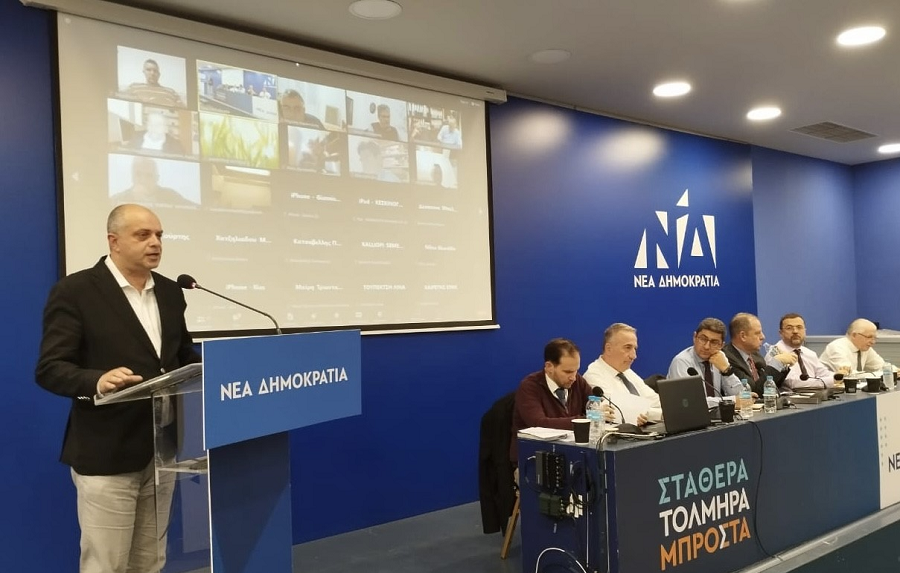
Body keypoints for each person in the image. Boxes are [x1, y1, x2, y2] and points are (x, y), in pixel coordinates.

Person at [35, 204, 200, 573]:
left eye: (159, 235)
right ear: (114, 241)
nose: (155, 243)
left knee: (150, 561)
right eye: (143, 235)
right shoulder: (76, 291)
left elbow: (182, 355)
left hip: (162, 450)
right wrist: (95, 381)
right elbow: (50, 369)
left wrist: (217, 367)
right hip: (107, 451)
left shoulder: (171, 292)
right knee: (106, 564)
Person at [510, 338, 613, 461]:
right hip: (535, 458)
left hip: (572, 454)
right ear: (549, 367)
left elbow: (593, 410)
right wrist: (583, 421)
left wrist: (601, 414)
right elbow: (539, 424)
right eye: (568, 372)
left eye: (576, 371)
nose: (573, 377)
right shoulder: (530, 386)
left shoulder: (577, 382)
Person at [583, 323, 661, 425]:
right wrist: (661, 415)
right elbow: (622, 411)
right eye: (627, 347)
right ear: (609, 349)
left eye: (635, 349)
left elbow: (657, 402)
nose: (634, 356)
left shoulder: (627, 372)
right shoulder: (594, 375)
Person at [667, 317, 743, 397]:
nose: (706, 347)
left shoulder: (719, 359)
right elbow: (692, 400)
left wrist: (727, 371)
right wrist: (732, 400)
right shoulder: (681, 361)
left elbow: (742, 396)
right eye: (703, 339)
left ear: (721, 346)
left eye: (714, 342)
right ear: (694, 337)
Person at [722, 312, 792, 395]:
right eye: (758, 333)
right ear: (743, 336)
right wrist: (777, 362)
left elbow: (771, 386)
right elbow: (754, 391)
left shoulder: (755, 355)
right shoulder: (727, 357)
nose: (763, 337)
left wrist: (783, 366)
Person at [765, 313, 835, 390]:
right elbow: (792, 383)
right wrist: (830, 381)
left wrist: (839, 377)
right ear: (781, 333)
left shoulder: (810, 353)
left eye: (799, 327)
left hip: (816, 394)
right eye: (789, 328)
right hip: (791, 396)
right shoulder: (775, 353)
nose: (795, 331)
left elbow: (825, 373)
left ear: (805, 331)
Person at [111, 156, 195, 206]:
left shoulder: (170, 195)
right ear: (132, 177)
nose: (143, 180)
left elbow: (196, 209)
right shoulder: (118, 199)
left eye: (149, 175)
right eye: (138, 174)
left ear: (157, 178)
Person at [819, 318, 887, 375]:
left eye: (874, 338)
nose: (873, 342)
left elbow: (882, 366)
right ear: (854, 335)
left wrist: (891, 371)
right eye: (869, 337)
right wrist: (872, 375)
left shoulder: (864, 348)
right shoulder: (837, 347)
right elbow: (849, 375)